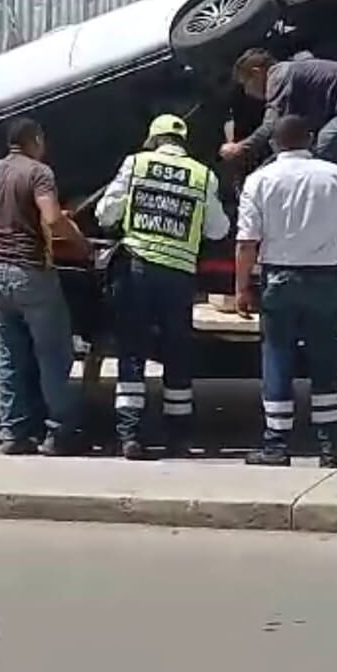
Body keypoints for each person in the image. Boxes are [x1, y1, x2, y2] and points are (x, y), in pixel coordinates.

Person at [235, 114, 337, 469]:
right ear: (309, 140)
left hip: (279, 279)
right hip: (325, 279)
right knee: (325, 359)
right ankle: (329, 448)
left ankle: (276, 446)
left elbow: (247, 241)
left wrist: (242, 288)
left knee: (277, 358)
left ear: (274, 144)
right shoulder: (336, 176)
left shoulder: (259, 180)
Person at [95, 113, 230, 460]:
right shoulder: (203, 176)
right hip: (179, 276)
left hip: (137, 269)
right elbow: (218, 229)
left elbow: (106, 213)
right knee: (177, 353)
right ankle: (179, 436)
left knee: (132, 351)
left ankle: (129, 435)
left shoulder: (136, 164)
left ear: (153, 139)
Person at [0, 117, 92, 456]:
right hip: (31, 273)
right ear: (36, 139)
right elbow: (51, 219)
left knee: (8, 356)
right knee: (52, 355)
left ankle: (13, 433)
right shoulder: (38, 173)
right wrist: (80, 242)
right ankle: (59, 433)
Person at [220, 46, 337, 190]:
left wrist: (240, 148)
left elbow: (271, 126)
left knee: (313, 163)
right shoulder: (294, 74)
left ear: (256, 72)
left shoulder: (278, 76)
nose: (247, 92)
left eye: (245, 84)